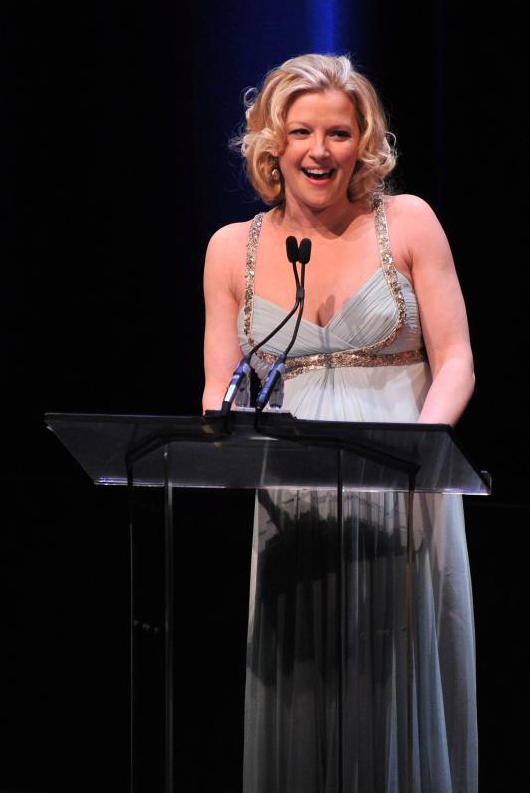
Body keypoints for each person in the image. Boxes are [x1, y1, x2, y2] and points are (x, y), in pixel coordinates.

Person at [202, 54, 477, 793]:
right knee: (303, 692)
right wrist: (218, 431)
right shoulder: (234, 248)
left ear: (364, 142)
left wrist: (418, 461)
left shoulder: (407, 221)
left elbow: (456, 362)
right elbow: (218, 387)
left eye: (338, 132)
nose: (319, 150)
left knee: (391, 682)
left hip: (403, 483)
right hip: (291, 501)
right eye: (300, 132)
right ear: (272, 143)